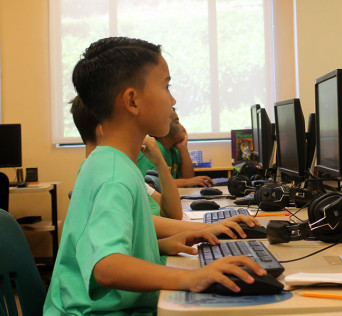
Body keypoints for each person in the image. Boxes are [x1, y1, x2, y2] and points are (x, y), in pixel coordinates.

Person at [44, 37, 265, 315]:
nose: (172, 99)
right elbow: (107, 267)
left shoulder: (107, 161)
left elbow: (101, 246)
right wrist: (191, 277)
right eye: (166, 86)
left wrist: (159, 246)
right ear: (132, 101)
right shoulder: (114, 175)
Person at [137, 109, 214, 187]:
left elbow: (190, 179)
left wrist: (183, 148)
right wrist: (185, 182)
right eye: (177, 122)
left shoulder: (173, 150)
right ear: (164, 126)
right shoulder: (152, 148)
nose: (182, 127)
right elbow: (150, 184)